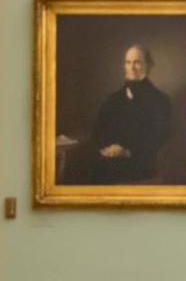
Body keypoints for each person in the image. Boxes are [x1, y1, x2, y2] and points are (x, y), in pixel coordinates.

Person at [66, 44, 171, 184]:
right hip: (109, 157)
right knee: (76, 164)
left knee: (95, 170)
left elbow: (159, 137)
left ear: (149, 65)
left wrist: (127, 151)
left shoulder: (160, 100)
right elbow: (97, 132)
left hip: (140, 162)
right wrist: (107, 149)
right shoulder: (113, 99)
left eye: (137, 62)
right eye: (128, 62)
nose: (132, 67)